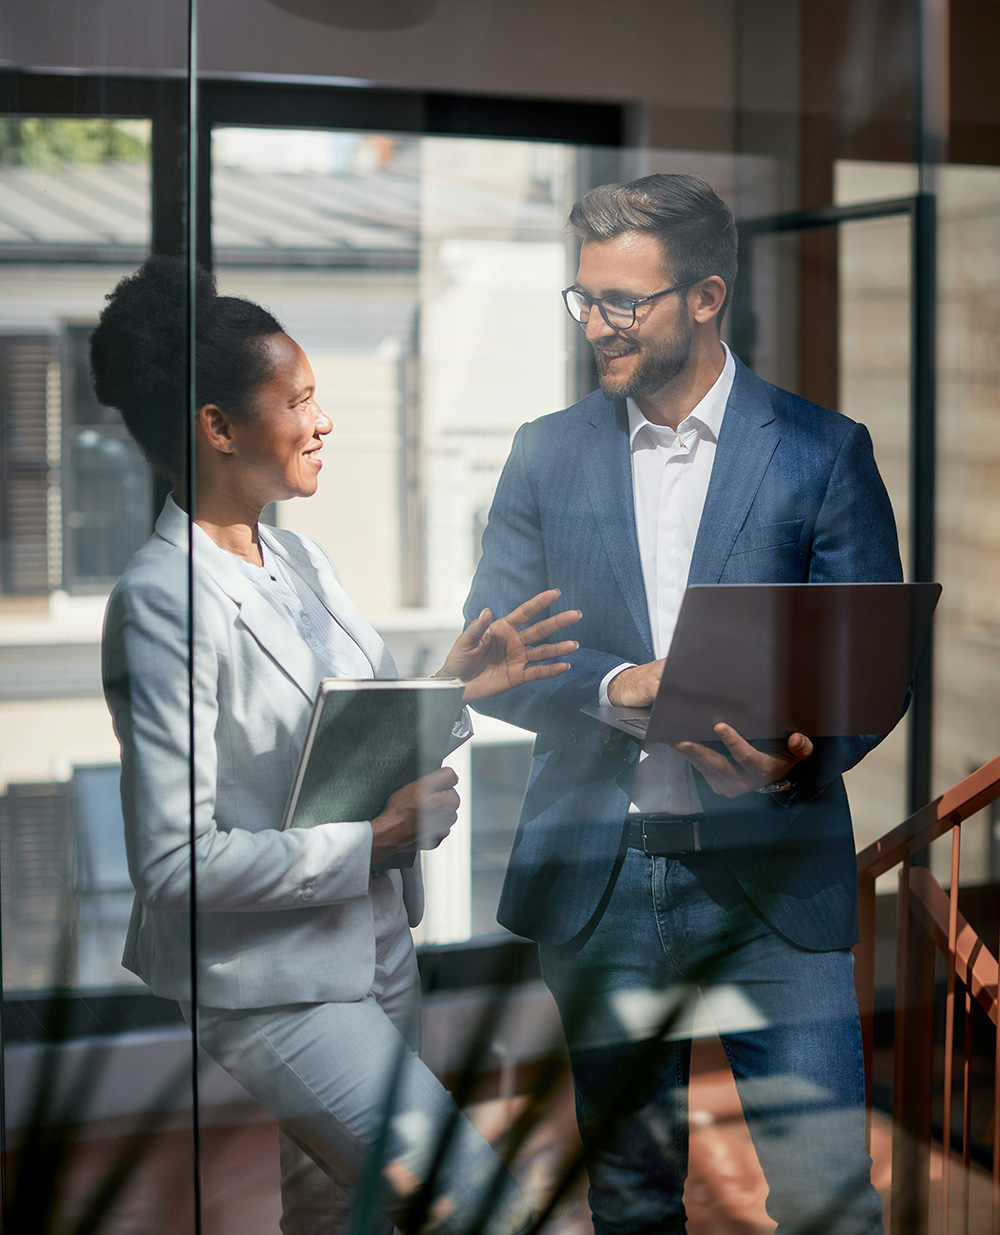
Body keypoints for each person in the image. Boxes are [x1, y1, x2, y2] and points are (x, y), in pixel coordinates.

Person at [94, 256, 582, 1235]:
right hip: (273, 983)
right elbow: (171, 862)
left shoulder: (297, 555)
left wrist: (453, 685)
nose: (323, 420)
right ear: (218, 427)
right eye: (300, 399)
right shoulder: (162, 601)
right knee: (479, 1204)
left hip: (369, 947)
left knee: (333, 1211)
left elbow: (339, 741)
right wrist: (373, 838)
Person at [464, 173, 900, 1234]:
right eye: (584, 299)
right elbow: (498, 649)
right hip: (600, 884)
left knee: (826, 1195)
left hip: (771, 882)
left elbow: (871, 660)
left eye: (623, 302)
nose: (596, 326)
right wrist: (622, 684)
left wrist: (799, 751)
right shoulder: (543, 451)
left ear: (704, 298)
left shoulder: (820, 449)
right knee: (629, 1194)